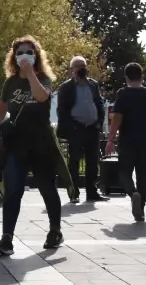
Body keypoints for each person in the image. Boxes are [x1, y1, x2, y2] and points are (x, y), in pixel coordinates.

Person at [0, 37, 75, 255]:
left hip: (41, 142)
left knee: (47, 187)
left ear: (36, 56)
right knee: (13, 190)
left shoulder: (44, 79)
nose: (24, 56)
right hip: (17, 142)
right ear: (13, 57)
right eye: (19, 53)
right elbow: (2, 109)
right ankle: (7, 238)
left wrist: (30, 74)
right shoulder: (10, 83)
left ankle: (55, 230)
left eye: (29, 52)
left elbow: (41, 97)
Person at [105, 62, 146, 222]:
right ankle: (141, 209)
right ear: (142, 76)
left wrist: (110, 139)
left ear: (126, 77)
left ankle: (133, 193)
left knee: (124, 172)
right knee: (144, 176)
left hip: (127, 140)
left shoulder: (123, 95)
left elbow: (117, 118)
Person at [56, 55, 107, 203]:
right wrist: (70, 126)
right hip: (76, 128)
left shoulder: (93, 85)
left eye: (83, 65)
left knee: (93, 161)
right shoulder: (66, 87)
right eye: (78, 66)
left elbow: (99, 104)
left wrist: (99, 123)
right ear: (72, 69)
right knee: (74, 161)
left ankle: (92, 192)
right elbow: (62, 110)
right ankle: (74, 193)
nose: (81, 68)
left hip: (92, 128)